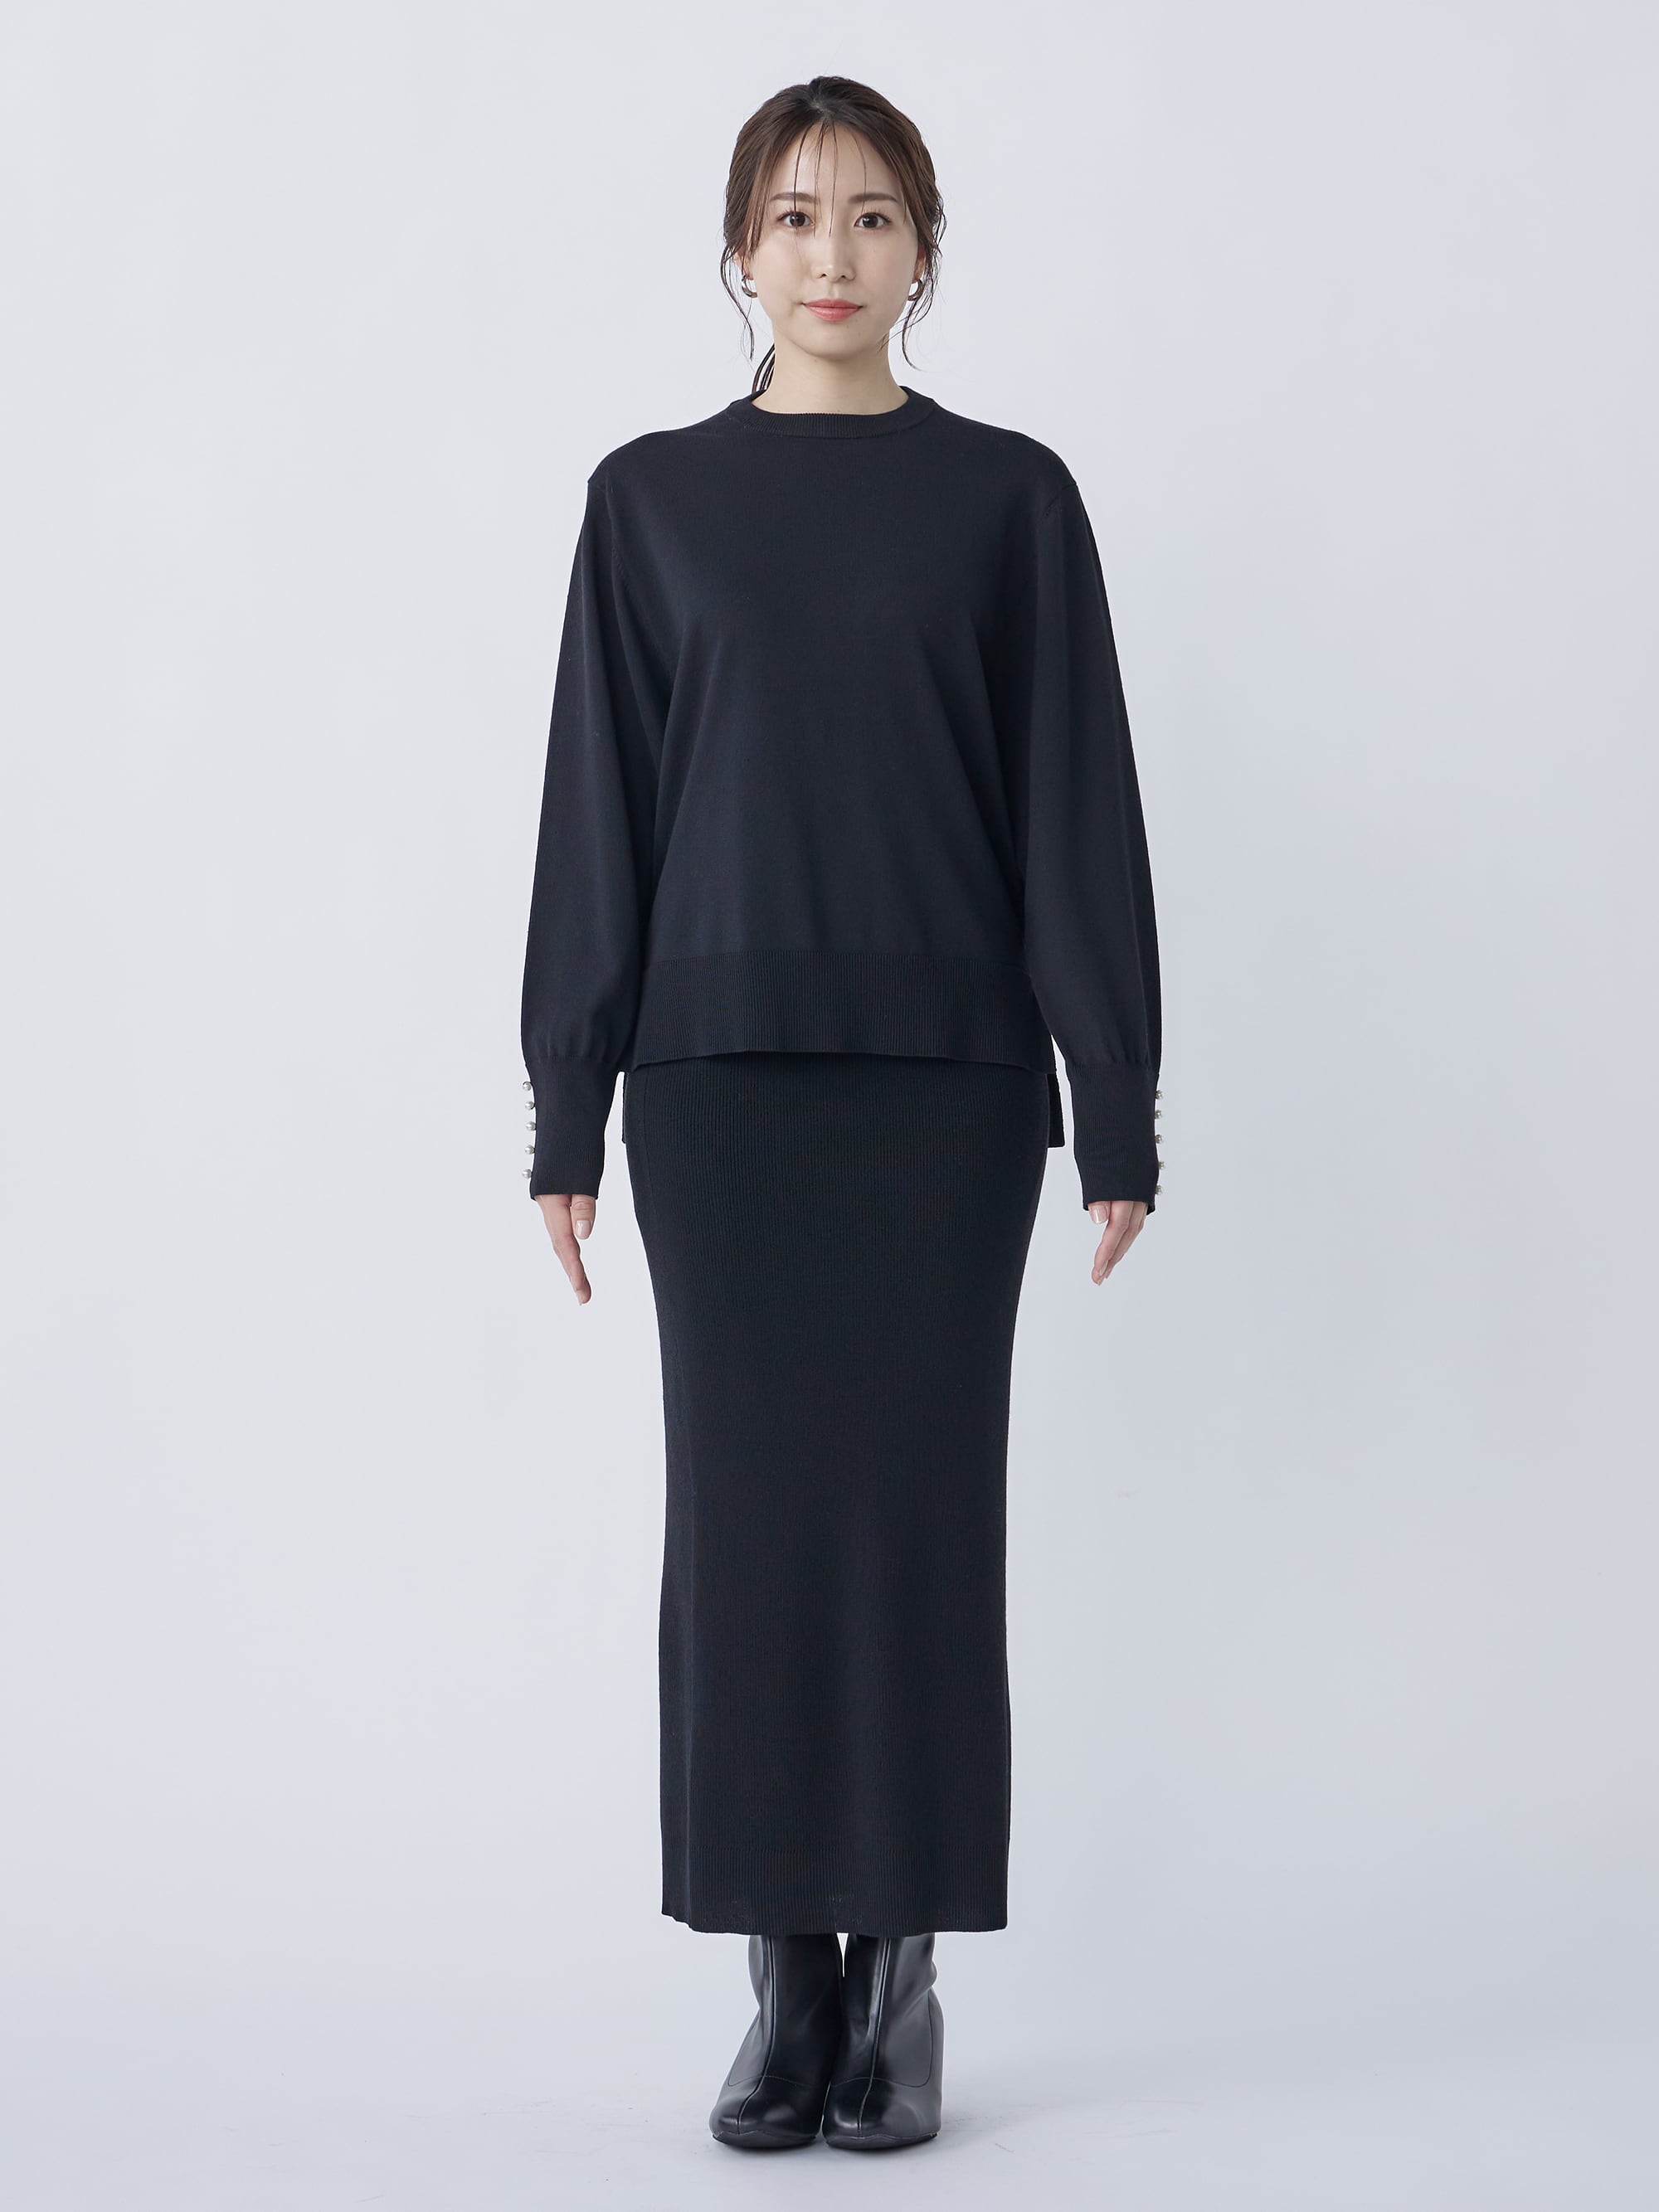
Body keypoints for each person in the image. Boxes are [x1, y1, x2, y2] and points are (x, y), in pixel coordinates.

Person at [518, 74, 1163, 2153]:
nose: (830, 252)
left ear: (923, 252)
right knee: (745, 1533)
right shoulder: (649, 505)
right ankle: (781, 1980)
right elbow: (598, 815)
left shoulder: (1009, 501)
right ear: (738, 249)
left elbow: (1073, 803)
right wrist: (565, 1100)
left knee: (916, 1526)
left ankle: (902, 1971)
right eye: (794, 215)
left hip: (945, 1098)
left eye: (872, 215)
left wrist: (1114, 1095)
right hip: (716, 1094)